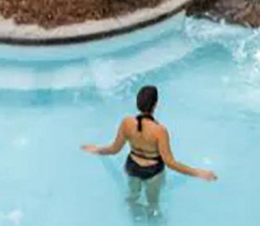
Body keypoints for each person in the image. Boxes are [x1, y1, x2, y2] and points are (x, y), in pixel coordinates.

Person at [82, 86, 217, 215]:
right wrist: (199, 173)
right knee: (153, 206)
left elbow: (114, 149)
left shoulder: (126, 123)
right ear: (155, 105)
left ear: (137, 103)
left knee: (132, 199)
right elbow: (170, 163)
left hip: (132, 168)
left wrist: (96, 150)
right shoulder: (160, 131)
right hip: (152, 172)